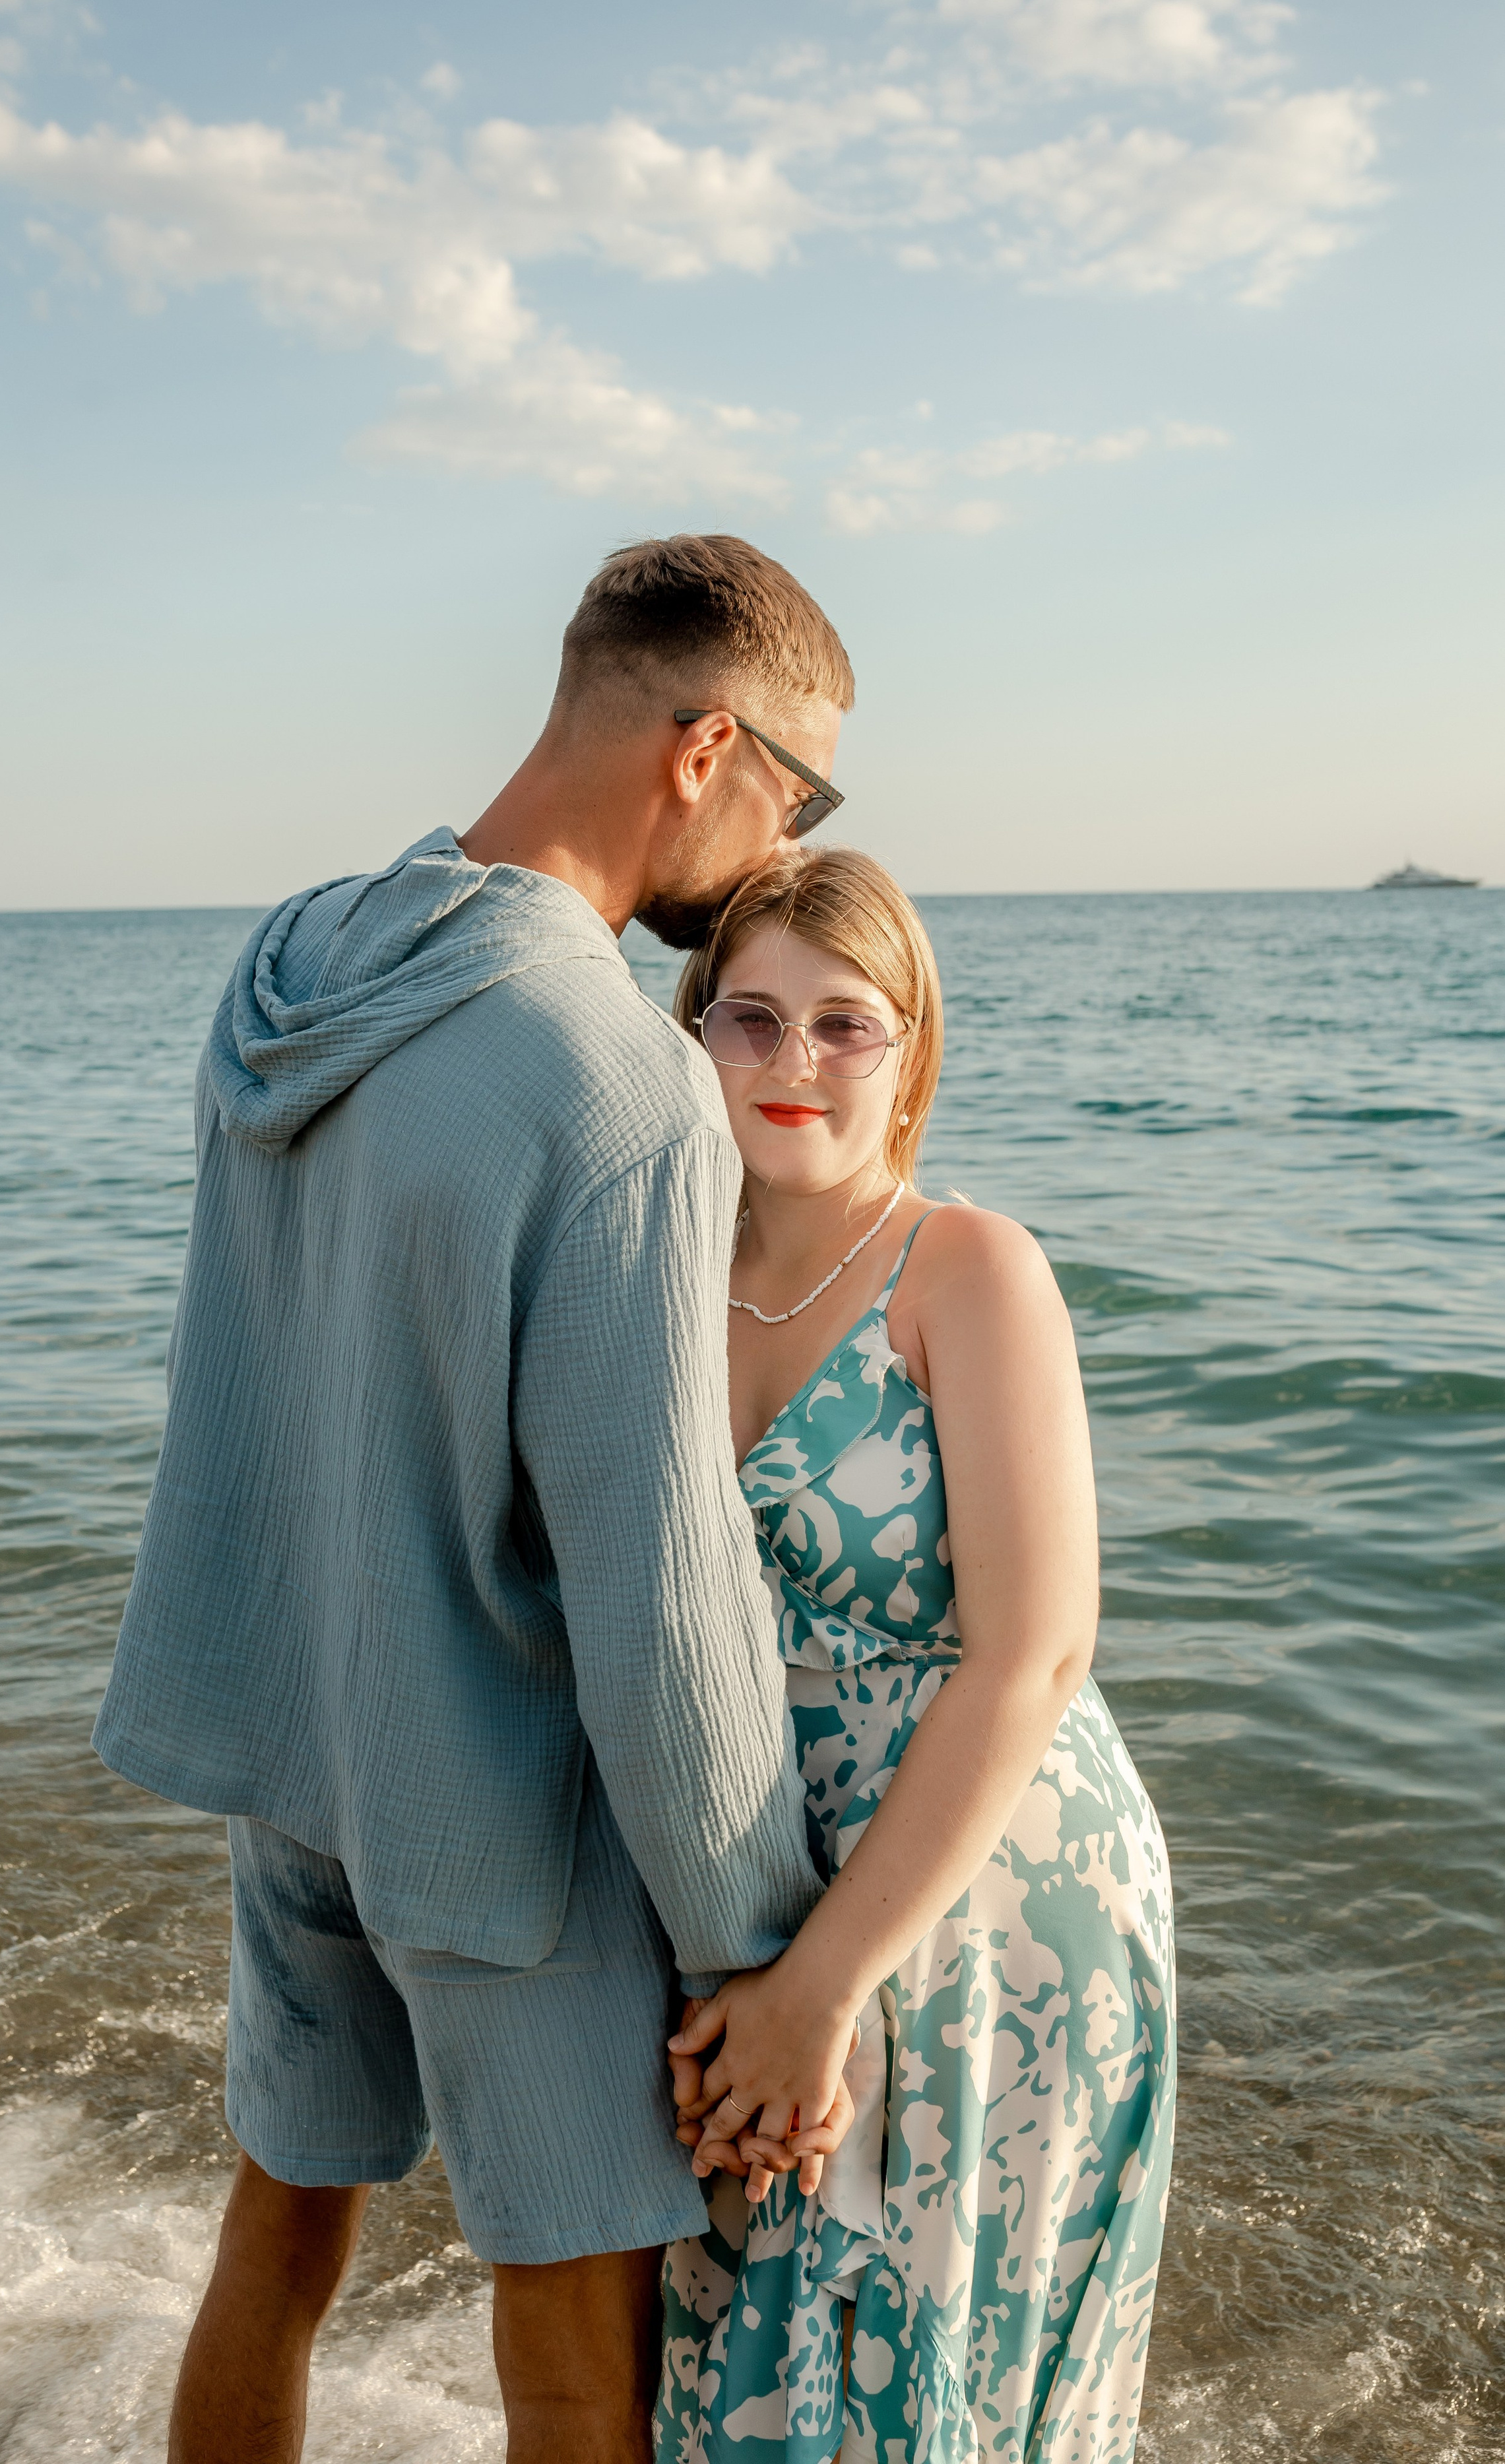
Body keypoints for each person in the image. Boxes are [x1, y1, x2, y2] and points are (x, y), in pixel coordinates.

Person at [91, 535, 864, 2464]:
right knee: (574, 2356)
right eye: (802, 784)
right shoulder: (614, 1081)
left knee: (274, 2247)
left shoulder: (292, 961)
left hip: (300, 1765)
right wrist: (754, 1950)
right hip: (496, 1815)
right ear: (703, 749)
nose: (789, 844)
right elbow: (656, 1586)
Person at [655, 851, 1176, 2463]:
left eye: (842, 1023)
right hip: (752, 1873)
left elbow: (1032, 1655)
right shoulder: (654, 1277)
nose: (792, 1061)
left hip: (986, 1888)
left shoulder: (965, 1269)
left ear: (911, 1053)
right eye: (749, 1018)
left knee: (927, 2368)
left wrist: (822, 1985)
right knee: (747, 2357)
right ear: (689, 1035)